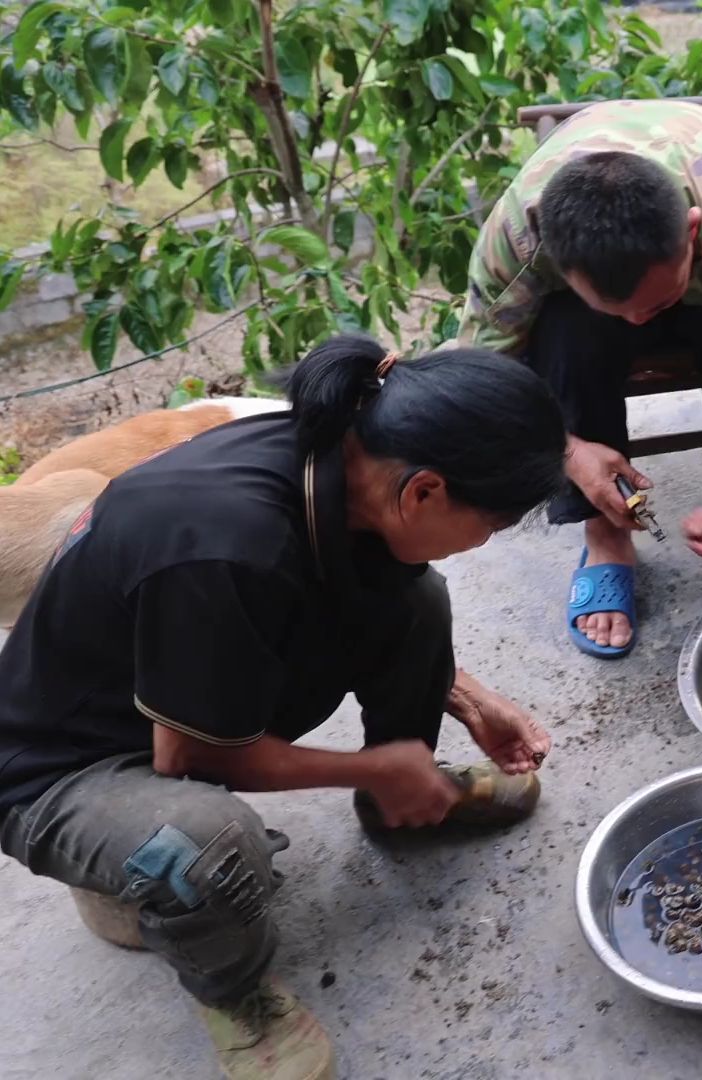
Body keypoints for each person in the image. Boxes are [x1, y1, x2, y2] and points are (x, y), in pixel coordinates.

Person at [0, 335, 567, 1080]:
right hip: (63, 769)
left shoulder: (339, 454)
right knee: (209, 843)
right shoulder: (225, 544)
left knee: (415, 597)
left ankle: (397, 801)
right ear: (424, 490)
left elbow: (356, 603)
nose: (482, 544)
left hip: (170, 690)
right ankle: (237, 998)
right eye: (487, 526)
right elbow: (191, 758)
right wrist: (368, 761)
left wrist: (463, 697)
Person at [457, 99, 702, 660]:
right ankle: (605, 535)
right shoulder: (519, 240)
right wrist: (567, 452)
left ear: (692, 230)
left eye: (656, 302)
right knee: (566, 334)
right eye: (619, 311)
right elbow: (479, 383)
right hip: (589, 308)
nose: (639, 327)